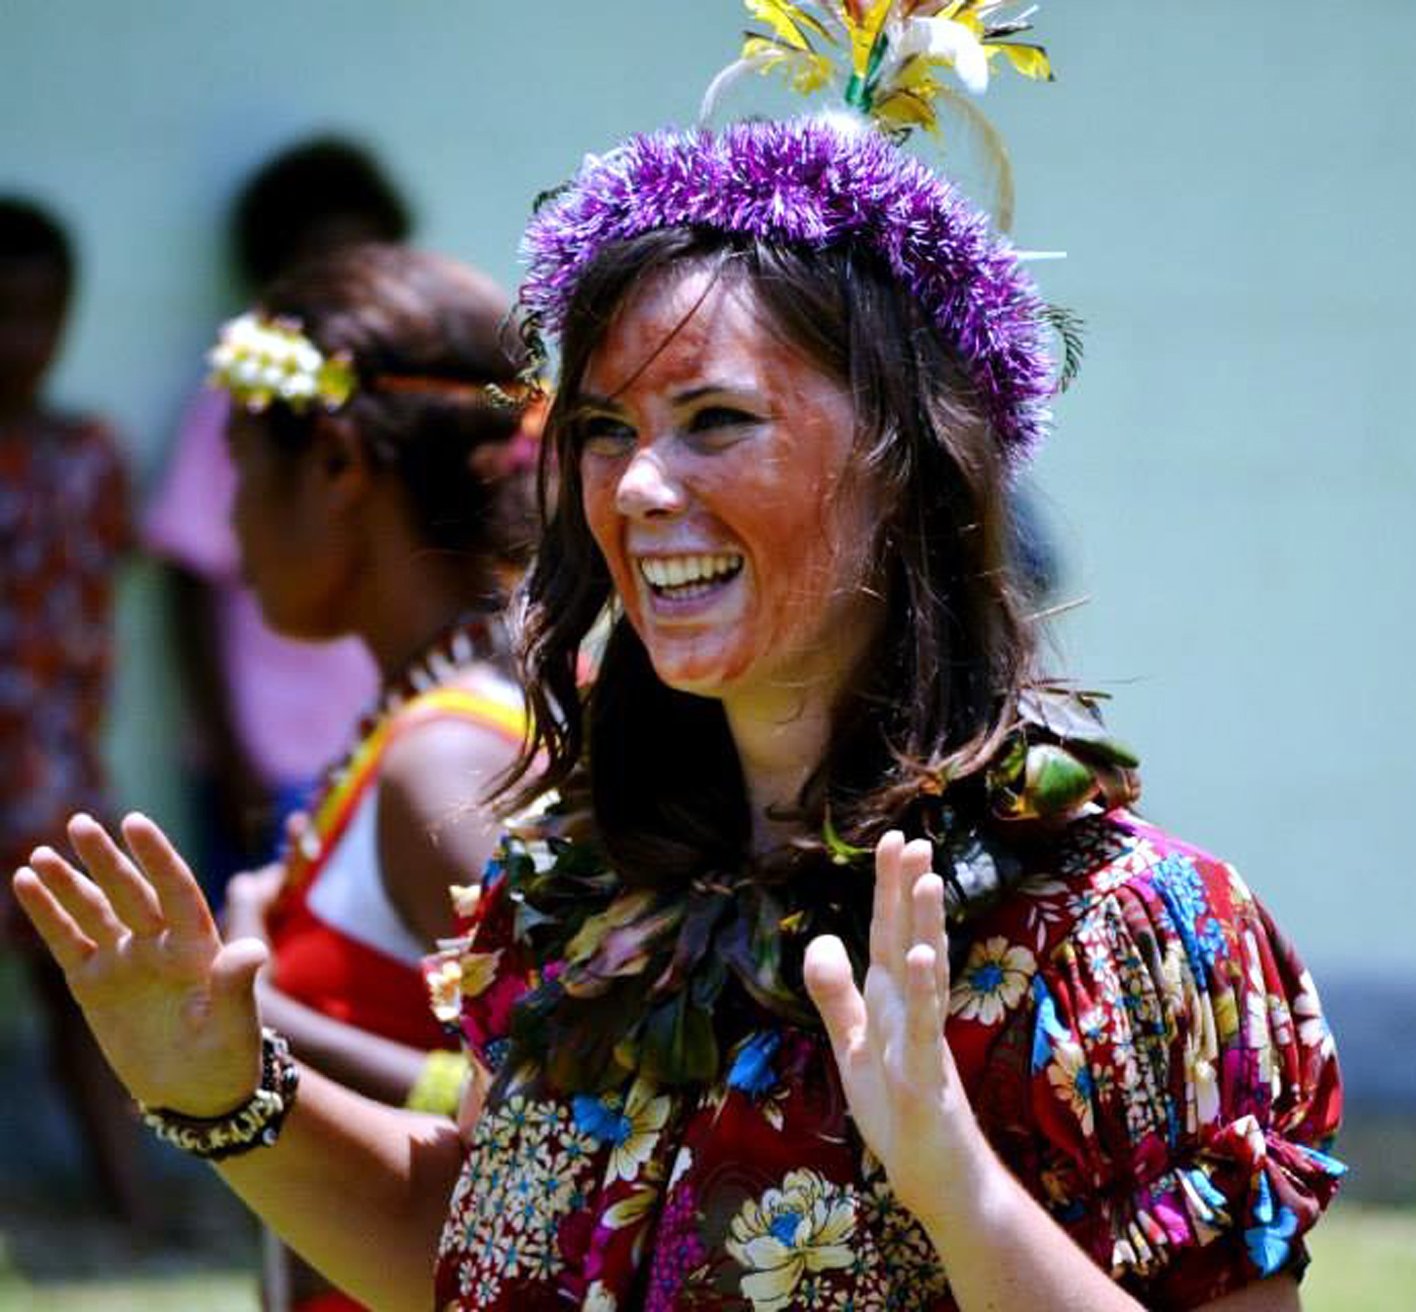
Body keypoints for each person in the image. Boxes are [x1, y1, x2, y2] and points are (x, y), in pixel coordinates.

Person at [11, 7, 1344, 1309]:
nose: (638, 487)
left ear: (907, 469)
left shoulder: (1122, 928)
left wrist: (959, 1190)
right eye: (602, 427)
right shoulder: (574, 885)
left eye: (715, 419)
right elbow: (474, 1248)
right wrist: (221, 1093)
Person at [197, 241, 534, 1310]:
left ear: (339, 465)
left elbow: (561, 1112)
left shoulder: (447, 759)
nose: (229, 521)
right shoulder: (419, 726)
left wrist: (243, 1020)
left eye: (244, 470)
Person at [144, 136, 413, 894]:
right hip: (267, 763)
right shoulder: (236, 407)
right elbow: (190, 580)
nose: (342, 289)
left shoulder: (407, 400)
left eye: (361, 263)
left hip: (381, 752)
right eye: (317, 265)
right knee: (264, 964)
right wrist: (230, 755)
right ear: (270, 270)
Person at [0, 195, 147, 1230]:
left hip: (54, 762)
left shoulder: (89, 449)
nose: (22, 338)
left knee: (78, 981)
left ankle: (128, 1197)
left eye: (43, 312)